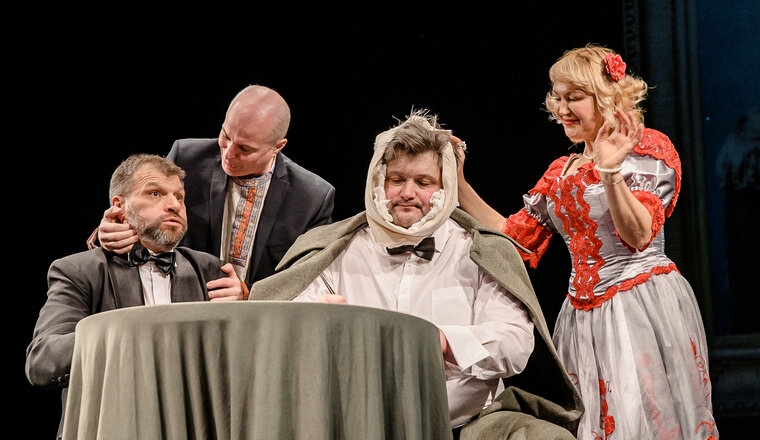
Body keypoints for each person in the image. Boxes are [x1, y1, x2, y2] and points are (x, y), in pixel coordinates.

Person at [251, 112, 583, 438]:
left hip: (464, 425)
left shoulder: (479, 251)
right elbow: (287, 324)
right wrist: (318, 319)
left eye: (423, 183)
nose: (407, 193)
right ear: (379, 181)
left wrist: (445, 343)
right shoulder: (337, 249)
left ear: (445, 187)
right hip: (358, 422)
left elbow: (515, 343)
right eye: (396, 180)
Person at [456, 45, 718, 439]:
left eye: (574, 98)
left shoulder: (645, 151)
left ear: (607, 98)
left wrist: (610, 172)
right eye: (557, 98)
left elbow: (639, 235)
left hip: (639, 302)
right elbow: (514, 237)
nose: (562, 109)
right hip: (582, 318)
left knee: (644, 419)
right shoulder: (561, 171)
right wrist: (458, 183)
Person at [27, 154, 245, 439]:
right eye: (155, 193)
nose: (173, 204)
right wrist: (127, 335)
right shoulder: (79, 271)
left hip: (193, 428)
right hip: (113, 427)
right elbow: (43, 360)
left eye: (179, 196)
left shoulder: (210, 270)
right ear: (118, 206)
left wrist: (244, 311)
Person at [92, 85, 335, 286]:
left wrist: (247, 296)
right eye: (226, 136)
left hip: (260, 320)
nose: (228, 154)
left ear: (278, 147)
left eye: (245, 149)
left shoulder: (313, 197)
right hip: (182, 304)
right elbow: (143, 220)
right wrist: (109, 233)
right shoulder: (186, 157)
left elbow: (309, 278)